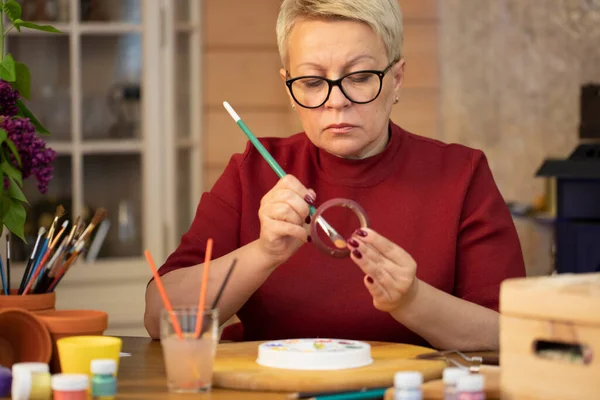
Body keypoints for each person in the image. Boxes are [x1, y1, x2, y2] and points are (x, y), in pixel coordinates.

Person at [144, 0, 525, 351]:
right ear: (289, 90)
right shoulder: (253, 170)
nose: (336, 100)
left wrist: (411, 301)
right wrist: (263, 253)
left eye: (359, 77)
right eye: (311, 82)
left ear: (397, 79)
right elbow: (159, 318)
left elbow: (508, 336)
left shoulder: (462, 175)